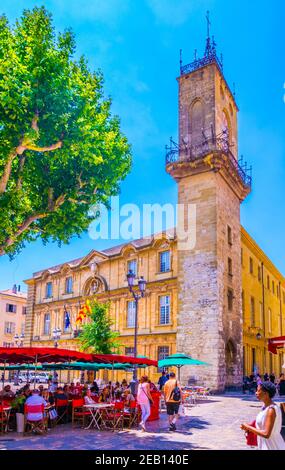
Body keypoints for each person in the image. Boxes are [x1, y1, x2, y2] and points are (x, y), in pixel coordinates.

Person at [241, 381, 285, 450]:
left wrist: (249, 427)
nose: (256, 393)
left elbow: (266, 434)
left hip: (272, 446)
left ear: (266, 394)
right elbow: (263, 424)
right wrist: (249, 426)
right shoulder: (265, 407)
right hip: (265, 445)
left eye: (258, 391)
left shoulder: (271, 410)